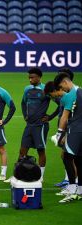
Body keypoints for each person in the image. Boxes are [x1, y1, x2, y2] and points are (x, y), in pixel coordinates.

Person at [16, 67, 53, 182]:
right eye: (29, 78)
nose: (30, 80)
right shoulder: (27, 89)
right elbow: (23, 103)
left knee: (40, 150)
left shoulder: (45, 89)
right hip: (29, 125)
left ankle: (40, 176)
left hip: (40, 126)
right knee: (22, 150)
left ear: (39, 77)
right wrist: (24, 115)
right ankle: (18, 174)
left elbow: (60, 104)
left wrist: (50, 117)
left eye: (32, 77)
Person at [53, 73, 82, 203]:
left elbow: (64, 117)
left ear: (65, 82)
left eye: (61, 86)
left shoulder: (70, 95)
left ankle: (71, 190)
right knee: (79, 160)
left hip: (75, 131)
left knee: (67, 157)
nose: (62, 90)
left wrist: (59, 134)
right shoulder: (81, 91)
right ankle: (80, 191)